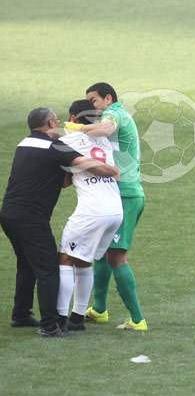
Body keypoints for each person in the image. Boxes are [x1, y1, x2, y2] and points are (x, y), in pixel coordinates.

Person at [0, 107, 118, 337]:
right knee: (48, 269)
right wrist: (112, 170)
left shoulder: (24, 144)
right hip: (31, 218)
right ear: (52, 122)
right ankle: (50, 326)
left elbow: (59, 180)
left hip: (9, 214)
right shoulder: (56, 147)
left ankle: (21, 314)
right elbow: (93, 165)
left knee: (26, 264)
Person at [71, 82, 147, 331]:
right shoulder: (118, 113)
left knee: (117, 256)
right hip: (121, 193)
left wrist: (79, 128)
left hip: (126, 194)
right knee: (103, 252)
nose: (92, 105)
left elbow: (105, 129)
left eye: (93, 100)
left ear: (108, 98)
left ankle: (137, 320)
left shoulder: (114, 113)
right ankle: (99, 309)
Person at [57, 100, 124, 331]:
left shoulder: (67, 141)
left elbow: (63, 181)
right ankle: (76, 319)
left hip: (92, 210)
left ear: (72, 117)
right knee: (84, 260)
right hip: (115, 210)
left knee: (65, 258)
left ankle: (59, 316)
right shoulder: (103, 140)